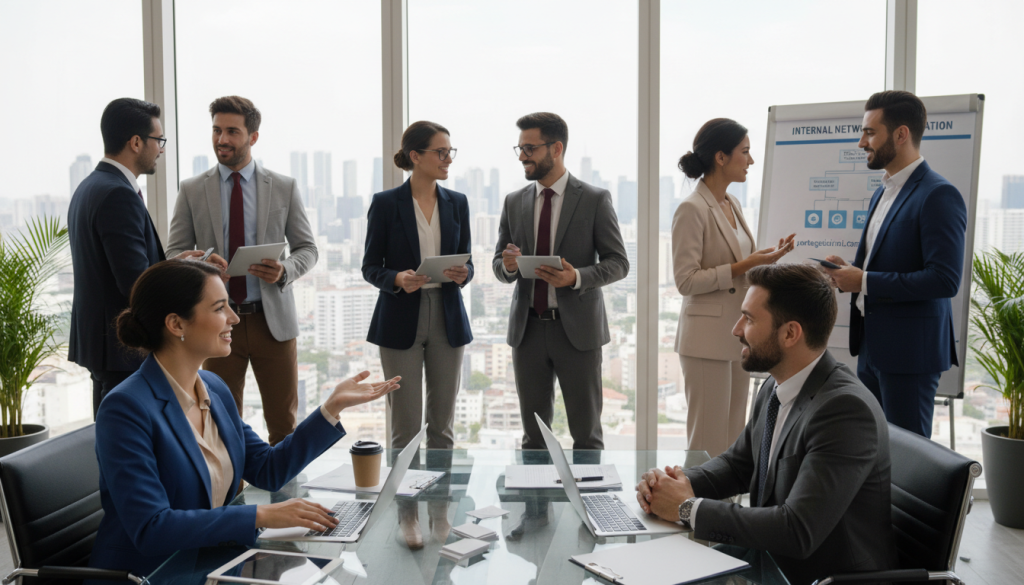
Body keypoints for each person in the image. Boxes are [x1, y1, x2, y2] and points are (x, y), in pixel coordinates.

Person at [87, 259, 399, 577]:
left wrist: (331, 409)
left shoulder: (213, 388)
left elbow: (267, 469)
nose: (234, 318)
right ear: (176, 325)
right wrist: (259, 515)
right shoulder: (125, 409)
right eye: (220, 308)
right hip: (155, 575)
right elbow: (152, 528)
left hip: (216, 563)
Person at [636, 264, 896, 585]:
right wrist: (674, 484)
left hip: (816, 576)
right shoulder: (776, 384)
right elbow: (739, 465)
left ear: (790, 333)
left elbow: (797, 530)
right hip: (768, 558)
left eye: (749, 318)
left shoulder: (844, 411)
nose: (736, 329)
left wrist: (687, 508)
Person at [167, 96, 318, 445]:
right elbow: (173, 253)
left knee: (283, 424)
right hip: (215, 322)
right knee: (221, 423)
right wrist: (197, 264)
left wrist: (284, 271)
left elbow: (308, 249)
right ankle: (232, 498)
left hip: (273, 321)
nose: (222, 139)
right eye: (217, 130)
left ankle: (285, 497)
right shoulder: (192, 189)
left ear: (253, 137)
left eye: (232, 131)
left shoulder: (283, 187)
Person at [69, 97, 226, 417]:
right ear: (136, 142)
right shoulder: (118, 194)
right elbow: (134, 283)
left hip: (101, 344)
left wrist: (179, 263)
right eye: (159, 140)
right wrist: (189, 274)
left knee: (109, 435)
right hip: (121, 349)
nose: (162, 149)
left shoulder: (90, 186)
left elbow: (120, 267)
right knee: (125, 440)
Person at [823, 90, 967, 437]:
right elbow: (881, 260)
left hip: (910, 355)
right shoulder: (883, 190)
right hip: (873, 346)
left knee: (908, 461)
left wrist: (865, 281)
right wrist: (849, 271)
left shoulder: (938, 194)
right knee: (874, 452)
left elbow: (944, 280)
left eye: (870, 132)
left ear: (901, 134)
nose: (861, 143)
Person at [362, 121, 472, 548]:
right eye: (440, 152)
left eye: (450, 152)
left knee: (442, 426)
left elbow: (468, 263)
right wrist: (396, 278)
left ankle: (440, 513)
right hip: (400, 318)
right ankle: (407, 517)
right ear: (415, 156)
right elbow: (371, 266)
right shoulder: (386, 203)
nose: (447, 159)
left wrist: (464, 273)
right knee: (405, 427)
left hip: (446, 315)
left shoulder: (457, 202)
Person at [493, 112, 629, 451]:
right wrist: (508, 265)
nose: (522, 155)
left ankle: (590, 504)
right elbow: (499, 264)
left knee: (586, 436)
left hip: (578, 334)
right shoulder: (513, 201)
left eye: (530, 147)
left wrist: (577, 277)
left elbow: (619, 263)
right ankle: (536, 505)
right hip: (527, 333)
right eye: (520, 148)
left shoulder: (595, 199)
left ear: (556, 148)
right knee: (534, 439)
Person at [673, 118, 794, 457]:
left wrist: (765, 260)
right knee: (706, 441)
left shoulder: (733, 204)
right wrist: (747, 265)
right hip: (705, 339)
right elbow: (686, 280)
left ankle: (725, 510)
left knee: (732, 440)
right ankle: (692, 508)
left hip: (738, 336)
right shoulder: (691, 209)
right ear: (721, 157)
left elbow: (740, 267)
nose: (751, 161)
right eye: (745, 152)